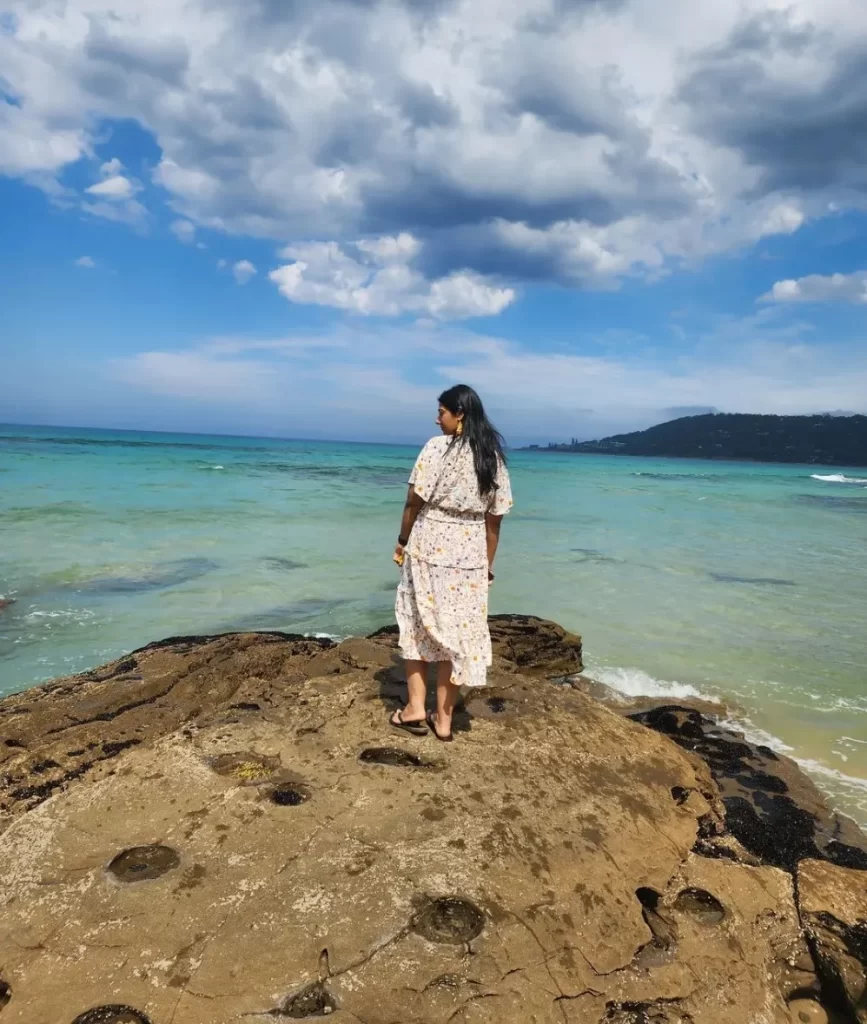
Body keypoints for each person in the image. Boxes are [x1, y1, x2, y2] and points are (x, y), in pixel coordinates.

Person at [391, 385, 513, 741]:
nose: (436, 418)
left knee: (417, 624)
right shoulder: (492, 457)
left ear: (459, 414)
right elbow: (495, 522)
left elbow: (413, 502)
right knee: (457, 635)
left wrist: (402, 541)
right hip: (470, 554)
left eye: (441, 411)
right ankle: (443, 722)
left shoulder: (435, 448)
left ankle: (415, 708)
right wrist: (486, 566)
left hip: (429, 545)